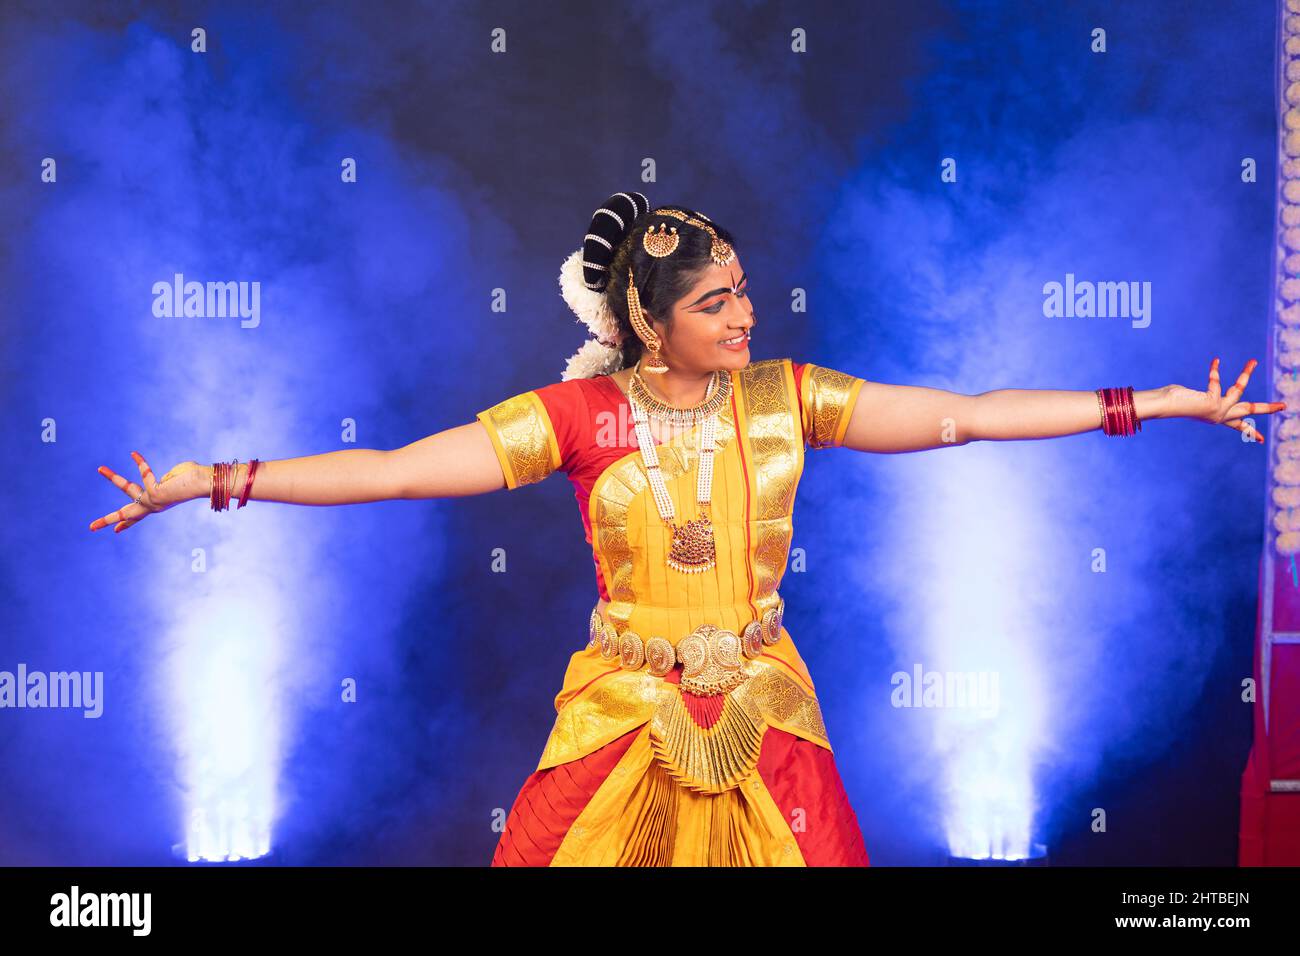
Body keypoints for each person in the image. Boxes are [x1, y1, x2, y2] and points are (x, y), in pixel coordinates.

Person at [89, 191, 1285, 866]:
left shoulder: (786, 398)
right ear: (652, 325)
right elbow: (399, 471)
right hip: (623, 707)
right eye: (717, 300)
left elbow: (965, 416)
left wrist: (1154, 401)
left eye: (746, 290)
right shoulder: (575, 415)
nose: (745, 312)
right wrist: (210, 478)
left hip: (766, 701)